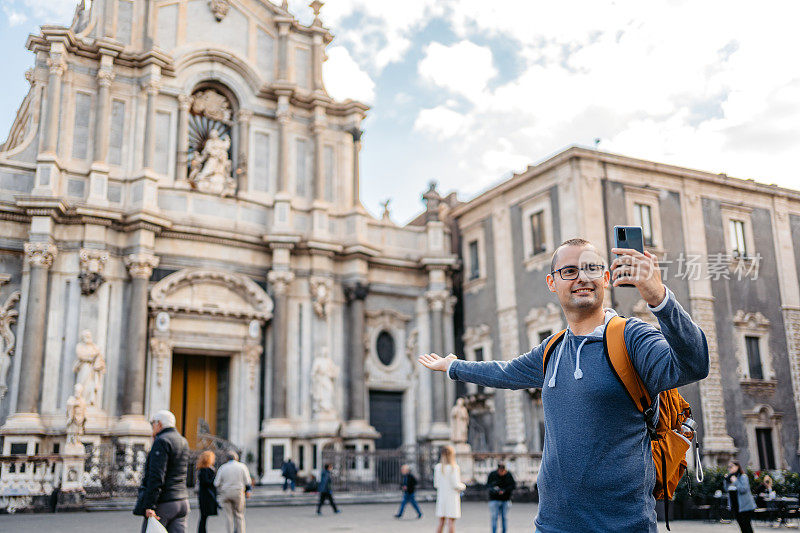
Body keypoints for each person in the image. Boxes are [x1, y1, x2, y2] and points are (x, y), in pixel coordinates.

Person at [419, 238, 710, 532]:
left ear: (606, 278)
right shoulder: (552, 349)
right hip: (552, 525)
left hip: (622, 526)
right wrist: (453, 366)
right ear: (552, 282)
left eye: (591, 269)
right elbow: (505, 372)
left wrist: (659, 298)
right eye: (569, 271)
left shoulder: (632, 336)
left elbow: (694, 365)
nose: (582, 278)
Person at [134, 410, 190, 533]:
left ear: (159, 424)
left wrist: (149, 504)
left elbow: (157, 476)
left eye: (152, 424)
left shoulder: (161, 441)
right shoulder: (183, 441)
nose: (152, 428)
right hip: (182, 501)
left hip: (165, 502)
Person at [214, 451, 252, 533]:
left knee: (228, 516)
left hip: (226, 493)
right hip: (238, 492)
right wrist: (248, 490)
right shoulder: (242, 467)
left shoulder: (223, 467)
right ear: (237, 458)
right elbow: (248, 481)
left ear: (227, 458)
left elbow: (216, 483)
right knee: (239, 515)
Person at [434, 445, 466, 533]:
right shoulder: (454, 467)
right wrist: (463, 486)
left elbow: (436, 484)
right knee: (451, 522)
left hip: (442, 497)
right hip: (451, 497)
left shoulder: (438, 467)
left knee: (441, 522)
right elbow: (456, 484)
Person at [725, 461, 756, 533]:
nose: (729, 469)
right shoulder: (730, 478)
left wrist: (735, 481)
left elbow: (743, 489)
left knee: (747, 526)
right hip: (735, 506)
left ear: (737, 467)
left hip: (745, 506)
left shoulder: (743, 477)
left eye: (731, 466)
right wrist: (726, 480)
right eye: (728, 467)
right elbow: (726, 489)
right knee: (741, 526)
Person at [487, 463, 515, 533]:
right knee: (494, 518)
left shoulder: (509, 475)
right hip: (494, 500)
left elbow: (513, 486)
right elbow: (488, 485)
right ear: (498, 470)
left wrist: (504, 490)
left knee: (504, 518)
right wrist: (495, 490)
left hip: (506, 500)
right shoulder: (492, 474)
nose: (502, 473)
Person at [196, 451, 218, 533]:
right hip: (206, 496)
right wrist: (215, 479)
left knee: (204, 516)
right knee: (203, 516)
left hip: (206, 495)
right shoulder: (204, 470)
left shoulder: (204, 469)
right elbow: (206, 482)